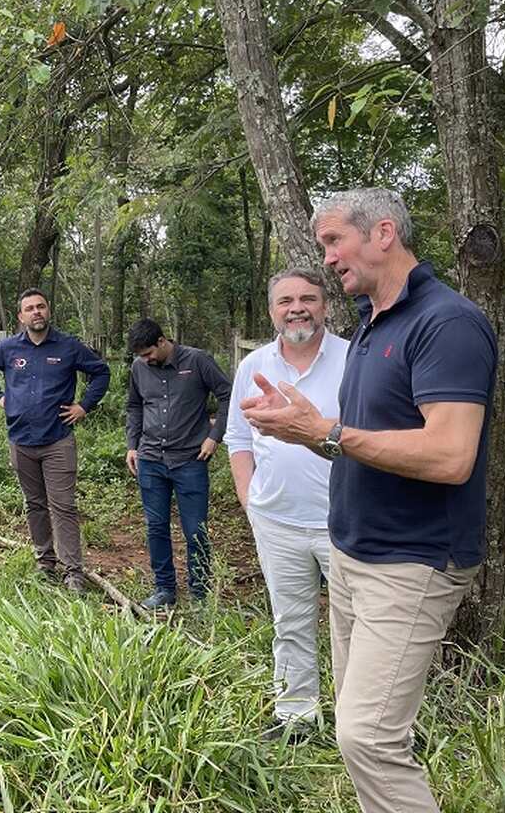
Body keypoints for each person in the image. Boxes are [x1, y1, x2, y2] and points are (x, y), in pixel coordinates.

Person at [244, 188, 496, 813]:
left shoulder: (448, 322)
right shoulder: (373, 325)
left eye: (334, 241)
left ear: (383, 232)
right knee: (362, 733)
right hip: (355, 553)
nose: (326, 258)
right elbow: (369, 440)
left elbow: (450, 454)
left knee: (368, 737)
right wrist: (310, 426)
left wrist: (325, 432)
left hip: (411, 561)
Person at [224, 268, 347, 742]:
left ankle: (359, 724)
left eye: (308, 298)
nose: (297, 307)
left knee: (353, 626)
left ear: (325, 306)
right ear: (272, 310)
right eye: (286, 300)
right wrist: (249, 498)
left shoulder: (353, 359)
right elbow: (237, 436)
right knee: (290, 619)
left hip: (344, 521)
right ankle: (296, 715)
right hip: (276, 519)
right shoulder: (253, 365)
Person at [0, 288, 110, 592]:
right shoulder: (9, 348)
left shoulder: (69, 346)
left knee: (63, 506)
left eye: (41, 307)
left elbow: (101, 373)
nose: (36, 312)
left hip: (58, 441)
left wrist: (84, 406)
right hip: (21, 440)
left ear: (48, 311)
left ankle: (73, 571)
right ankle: (45, 562)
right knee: (34, 505)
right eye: (30, 309)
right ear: (21, 316)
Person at [125, 318, 231, 609]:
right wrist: (131, 445)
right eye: (140, 356)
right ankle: (164, 590)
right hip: (150, 459)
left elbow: (227, 394)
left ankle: (200, 592)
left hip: (190, 459)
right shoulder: (139, 368)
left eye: (148, 354)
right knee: (156, 526)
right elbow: (134, 406)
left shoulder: (197, 361)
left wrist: (214, 436)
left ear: (162, 342)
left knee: (196, 528)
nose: (145, 360)